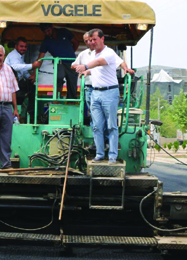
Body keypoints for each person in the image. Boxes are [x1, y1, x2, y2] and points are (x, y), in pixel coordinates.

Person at [75, 28, 125, 164]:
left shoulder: (109, 53)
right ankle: (99, 154)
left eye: (94, 39)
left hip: (109, 92)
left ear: (102, 39)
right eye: (90, 40)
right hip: (95, 92)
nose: (92, 42)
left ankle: (112, 156)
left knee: (111, 126)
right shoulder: (92, 55)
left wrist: (85, 66)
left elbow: (99, 63)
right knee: (96, 126)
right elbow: (97, 69)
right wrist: (88, 72)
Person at [36, 23, 80, 99]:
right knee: (59, 77)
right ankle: (57, 98)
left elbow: (76, 42)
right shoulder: (46, 41)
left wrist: (70, 53)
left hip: (71, 62)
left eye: (48, 30)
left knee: (72, 84)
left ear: (52, 27)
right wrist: (34, 74)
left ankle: (72, 101)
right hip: (59, 62)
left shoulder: (64, 32)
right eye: (45, 32)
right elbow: (40, 59)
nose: (47, 33)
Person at [4, 37, 40, 123]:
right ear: (16, 46)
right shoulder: (14, 55)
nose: (24, 48)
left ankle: (29, 115)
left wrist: (29, 77)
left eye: (25, 46)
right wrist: (32, 66)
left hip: (16, 83)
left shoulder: (20, 56)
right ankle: (29, 115)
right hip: (9, 85)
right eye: (21, 46)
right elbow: (16, 67)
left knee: (32, 87)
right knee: (30, 90)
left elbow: (22, 70)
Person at [71, 32, 96, 125]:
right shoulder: (83, 54)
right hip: (89, 86)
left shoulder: (104, 52)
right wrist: (80, 67)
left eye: (90, 40)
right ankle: (96, 135)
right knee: (93, 112)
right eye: (86, 41)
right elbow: (72, 66)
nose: (88, 43)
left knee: (102, 113)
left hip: (103, 87)